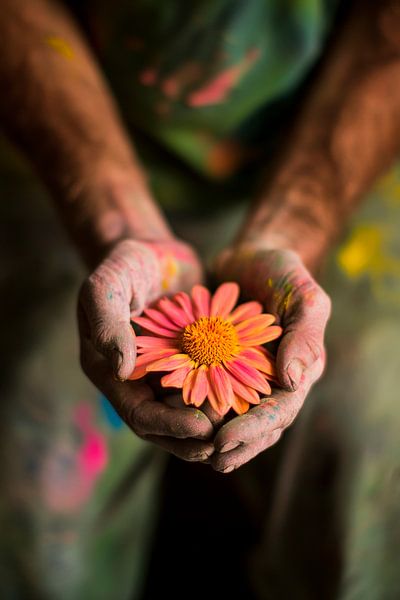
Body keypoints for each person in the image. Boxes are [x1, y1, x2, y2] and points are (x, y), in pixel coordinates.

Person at [1, 0, 400, 598]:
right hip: (66, 148)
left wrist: (290, 229)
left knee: (377, 447)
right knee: (27, 461)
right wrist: (116, 223)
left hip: (340, 165)